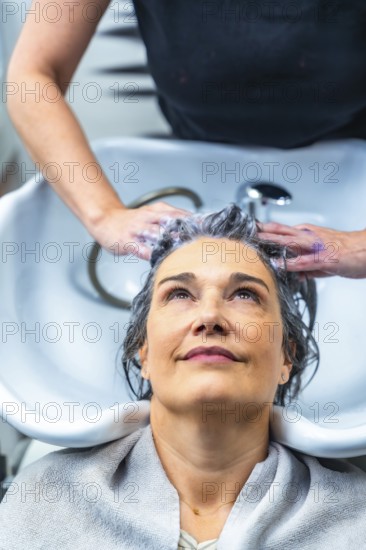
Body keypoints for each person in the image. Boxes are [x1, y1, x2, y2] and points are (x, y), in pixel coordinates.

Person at [1, 203, 366, 549]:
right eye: (178, 294)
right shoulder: (48, 498)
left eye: (244, 294)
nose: (210, 317)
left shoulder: (355, 518)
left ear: (287, 356)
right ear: (142, 351)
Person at [5, 0, 366, 275]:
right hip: (195, 157)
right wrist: (104, 215)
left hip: (351, 169)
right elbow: (31, 79)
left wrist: (357, 248)